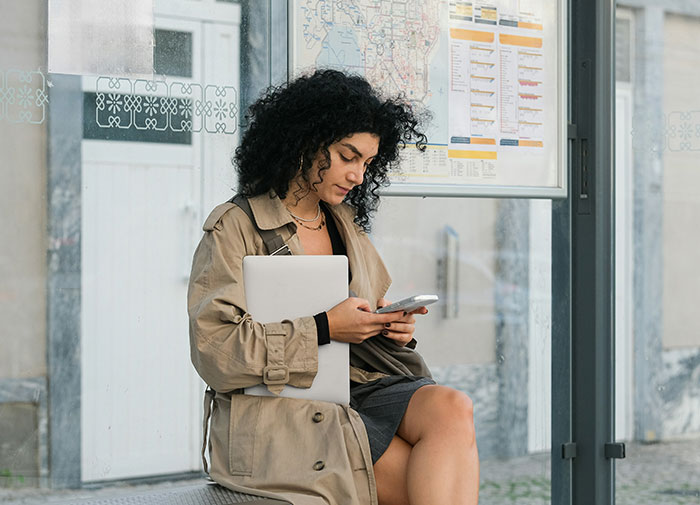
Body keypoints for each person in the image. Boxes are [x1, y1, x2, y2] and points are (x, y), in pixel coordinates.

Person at [188, 69, 479, 505]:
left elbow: (361, 311)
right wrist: (324, 328)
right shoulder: (235, 227)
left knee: (453, 407)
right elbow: (215, 352)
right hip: (283, 410)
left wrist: (387, 325)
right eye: (348, 157)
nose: (360, 176)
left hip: (359, 389)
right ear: (306, 142)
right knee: (419, 481)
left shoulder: (342, 223)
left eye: (367, 163)